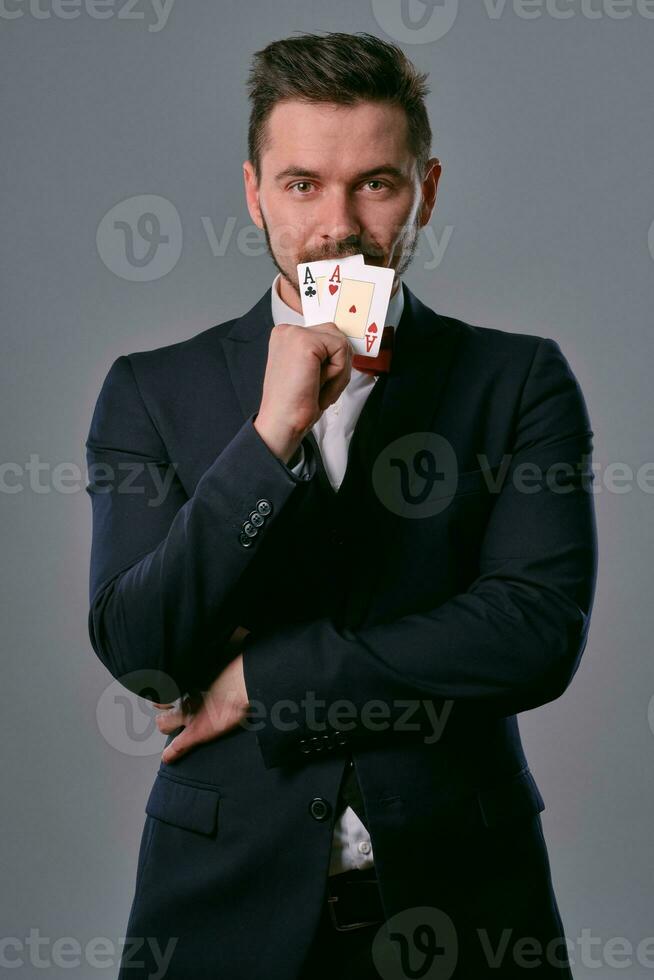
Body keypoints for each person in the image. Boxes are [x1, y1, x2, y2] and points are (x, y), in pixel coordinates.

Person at [85, 31, 597, 980]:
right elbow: (144, 652)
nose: (338, 224)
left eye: (375, 183)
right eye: (302, 184)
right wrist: (270, 435)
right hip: (220, 915)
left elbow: (533, 633)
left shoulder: (518, 379)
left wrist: (263, 681)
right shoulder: (150, 391)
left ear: (426, 192)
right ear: (254, 192)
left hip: (472, 911)